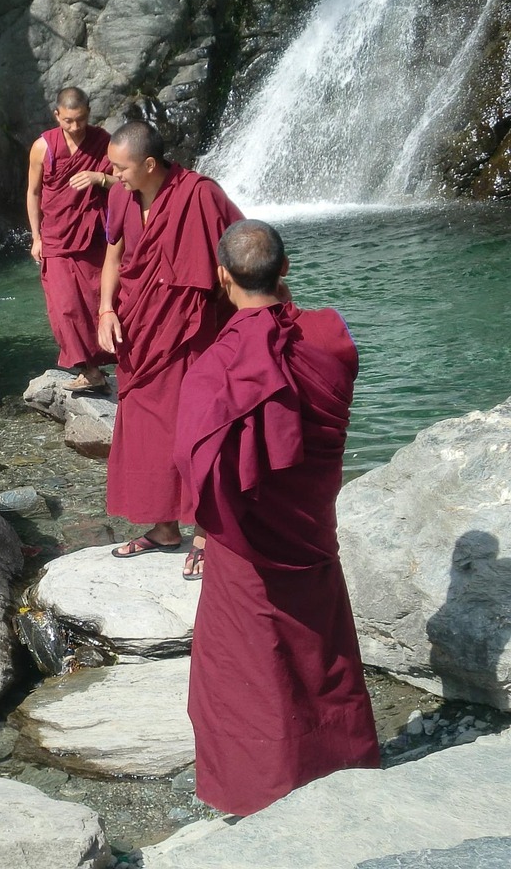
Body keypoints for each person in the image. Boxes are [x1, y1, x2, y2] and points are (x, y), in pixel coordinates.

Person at [174, 220, 381, 816]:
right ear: (285, 269)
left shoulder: (214, 369)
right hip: (310, 528)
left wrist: (203, 532)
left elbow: (199, 469)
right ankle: (345, 765)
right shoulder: (329, 342)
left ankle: (256, 795)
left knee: (243, 667)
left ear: (221, 277)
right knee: (324, 652)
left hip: (245, 545)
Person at [97, 120, 242, 572]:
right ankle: (162, 528)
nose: (114, 175)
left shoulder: (201, 195)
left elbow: (241, 255)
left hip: (193, 334)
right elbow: (114, 257)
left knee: (197, 430)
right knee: (145, 431)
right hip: (140, 334)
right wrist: (105, 310)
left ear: (150, 164)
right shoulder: (121, 195)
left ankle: (206, 530)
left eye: (121, 168)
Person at [26, 87, 117, 393]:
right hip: (56, 236)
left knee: (98, 301)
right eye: (68, 121)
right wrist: (36, 236)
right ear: (57, 116)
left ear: (89, 113)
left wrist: (99, 178)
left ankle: (103, 369)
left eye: (80, 120)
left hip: (93, 235)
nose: (75, 127)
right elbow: (34, 192)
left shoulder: (103, 142)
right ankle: (88, 370)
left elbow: (128, 182)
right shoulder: (43, 147)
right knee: (64, 307)